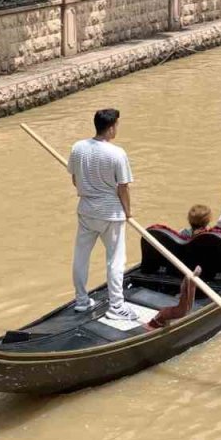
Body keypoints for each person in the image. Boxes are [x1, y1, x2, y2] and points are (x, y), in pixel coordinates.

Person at [68, 107, 137, 321]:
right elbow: (123, 188)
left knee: (81, 257)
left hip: (86, 211)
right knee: (116, 260)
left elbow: (75, 179)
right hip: (111, 214)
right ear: (111, 128)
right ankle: (117, 307)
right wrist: (128, 213)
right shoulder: (117, 153)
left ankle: (81, 300)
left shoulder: (78, 148)